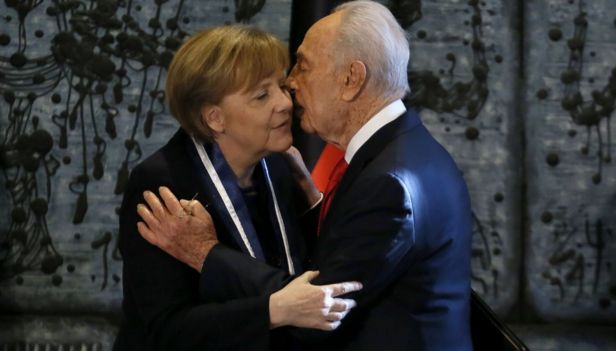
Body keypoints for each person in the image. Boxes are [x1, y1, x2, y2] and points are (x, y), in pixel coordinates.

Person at [138, 1, 474, 350]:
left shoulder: (387, 182)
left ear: (350, 79)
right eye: (262, 93)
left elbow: (317, 307)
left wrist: (206, 253)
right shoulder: (406, 149)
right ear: (214, 118)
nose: (291, 88)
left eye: (303, 67)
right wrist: (316, 208)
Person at [114, 25, 363, 351]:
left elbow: (303, 270)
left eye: (280, 85)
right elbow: (169, 328)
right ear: (215, 118)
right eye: (261, 95)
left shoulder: (277, 163)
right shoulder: (162, 183)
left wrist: (312, 198)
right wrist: (274, 311)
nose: (285, 103)